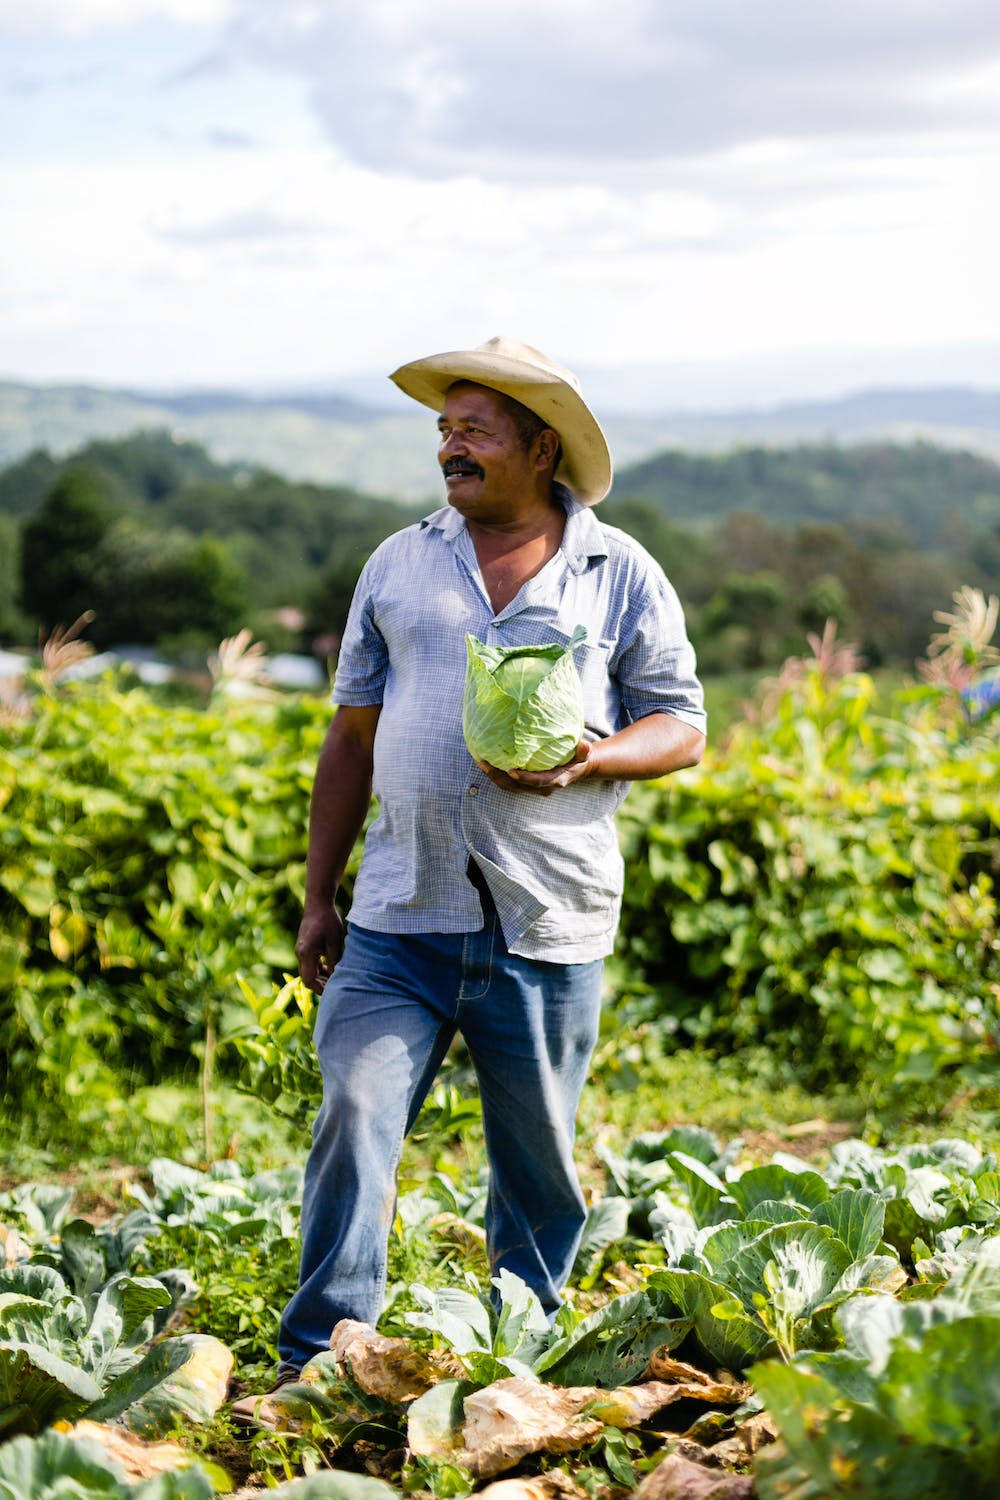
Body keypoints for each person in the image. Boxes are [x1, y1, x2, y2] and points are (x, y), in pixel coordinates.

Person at [244, 337, 705, 1401]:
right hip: (398, 912)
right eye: (443, 428)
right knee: (354, 1114)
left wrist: (595, 754)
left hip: (545, 918)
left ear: (541, 449)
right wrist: (320, 897)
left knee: (536, 1164)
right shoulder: (398, 564)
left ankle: (521, 1356)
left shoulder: (616, 570)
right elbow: (350, 736)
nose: (449, 445)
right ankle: (321, 1356)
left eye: (474, 429)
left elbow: (680, 724)